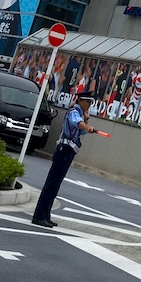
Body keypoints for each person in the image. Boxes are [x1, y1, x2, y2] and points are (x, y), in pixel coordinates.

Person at [32, 92, 100, 227]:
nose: (89, 105)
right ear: (80, 100)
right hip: (64, 149)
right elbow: (78, 124)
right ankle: (39, 216)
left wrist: (87, 120)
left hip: (69, 151)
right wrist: (88, 126)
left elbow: (82, 131)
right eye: (88, 102)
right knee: (52, 183)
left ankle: (46, 215)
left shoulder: (80, 114)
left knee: (56, 184)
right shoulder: (73, 112)